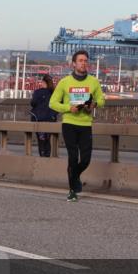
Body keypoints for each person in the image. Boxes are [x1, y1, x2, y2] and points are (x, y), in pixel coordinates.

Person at [49, 51, 105, 201]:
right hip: (69, 124)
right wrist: (69, 108)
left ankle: (76, 176)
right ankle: (72, 191)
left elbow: (101, 100)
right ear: (73, 64)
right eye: (80, 60)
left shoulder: (93, 82)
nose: (83, 63)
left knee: (85, 159)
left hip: (86, 124)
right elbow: (52, 103)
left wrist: (93, 104)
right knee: (73, 157)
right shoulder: (64, 82)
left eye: (85, 60)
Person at [30, 74, 57, 157]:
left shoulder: (38, 92)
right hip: (50, 119)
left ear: (43, 82)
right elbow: (59, 105)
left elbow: (33, 103)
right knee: (47, 139)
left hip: (39, 119)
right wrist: (53, 115)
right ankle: (47, 157)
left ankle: (42, 158)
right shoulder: (54, 93)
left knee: (41, 140)